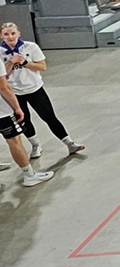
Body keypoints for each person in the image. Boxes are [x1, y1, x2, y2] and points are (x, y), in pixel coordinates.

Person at [2, 22, 84, 160]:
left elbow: (42, 67)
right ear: (1, 36)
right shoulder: (1, 52)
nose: (10, 36)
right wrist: (11, 62)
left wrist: (24, 62)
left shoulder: (31, 47)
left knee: (49, 116)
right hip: (15, 92)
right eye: (6, 34)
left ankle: (69, 143)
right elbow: (3, 76)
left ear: (18, 33)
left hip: (34, 88)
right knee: (24, 120)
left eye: (13, 33)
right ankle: (35, 145)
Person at [0, 73, 55, 187]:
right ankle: (29, 175)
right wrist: (17, 107)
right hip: (2, 112)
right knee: (14, 140)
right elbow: (3, 87)